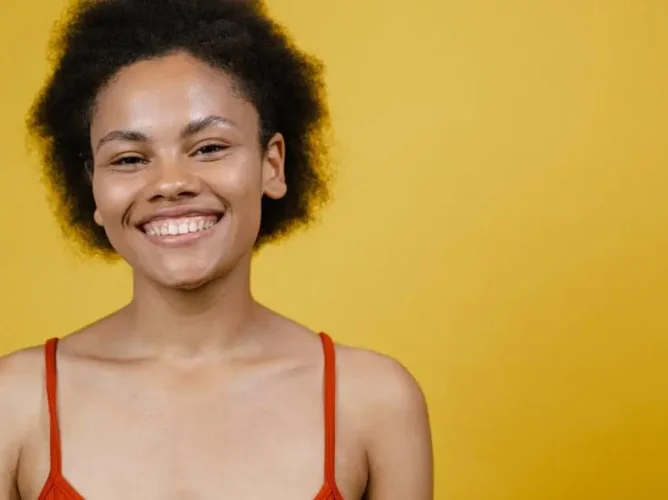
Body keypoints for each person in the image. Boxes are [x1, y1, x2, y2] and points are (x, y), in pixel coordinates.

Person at [0, 0, 433, 498]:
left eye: (208, 147)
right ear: (92, 188)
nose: (171, 183)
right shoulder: (15, 402)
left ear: (272, 165)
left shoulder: (373, 402)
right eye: (128, 157)